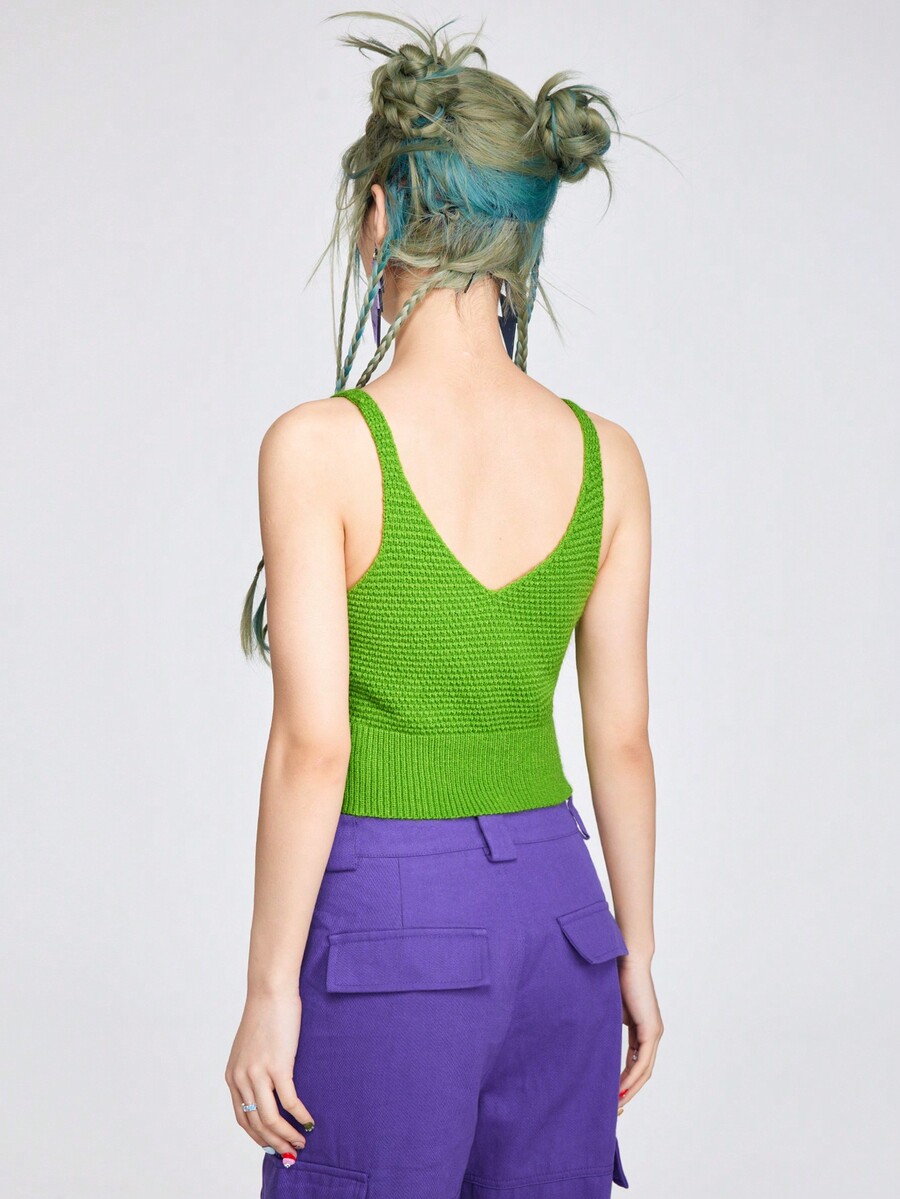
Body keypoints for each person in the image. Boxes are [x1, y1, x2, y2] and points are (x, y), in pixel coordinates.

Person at [226, 12, 662, 1198]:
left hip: (394, 928)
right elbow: (621, 738)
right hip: (566, 922)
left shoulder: (321, 448)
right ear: (524, 236)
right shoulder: (608, 457)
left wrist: (268, 989)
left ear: (381, 215)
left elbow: (314, 744)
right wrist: (635, 952)